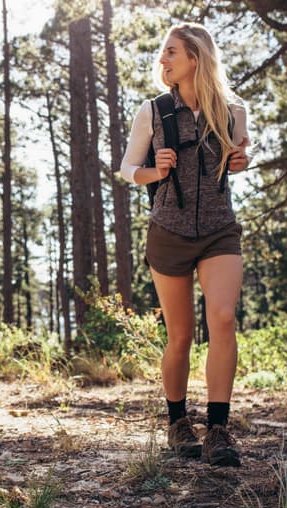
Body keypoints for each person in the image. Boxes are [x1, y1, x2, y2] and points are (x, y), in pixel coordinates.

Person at [120, 23, 250, 466]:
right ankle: (178, 423)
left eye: (171, 51)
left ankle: (218, 430)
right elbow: (127, 169)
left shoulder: (233, 111)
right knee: (180, 336)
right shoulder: (153, 112)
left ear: (196, 56)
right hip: (169, 233)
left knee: (224, 318)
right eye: (163, 53)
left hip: (219, 230)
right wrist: (154, 171)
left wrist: (241, 159)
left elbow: (239, 156)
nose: (163, 59)